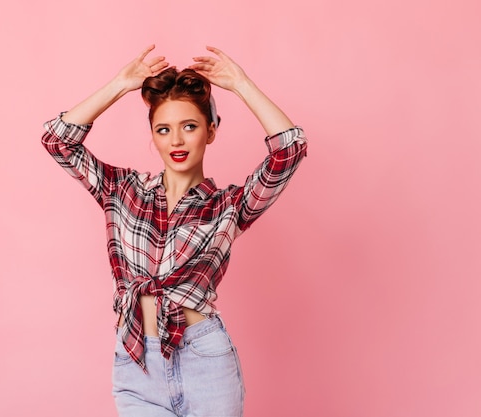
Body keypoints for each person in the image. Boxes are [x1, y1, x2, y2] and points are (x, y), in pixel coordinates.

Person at [41, 45, 307, 417]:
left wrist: (241, 84)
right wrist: (120, 85)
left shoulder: (229, 206)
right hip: (137, 364)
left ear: (211, 131)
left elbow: (290, 151)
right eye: (163, 129)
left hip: (205, 362)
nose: (176, 141)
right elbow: (58, 141)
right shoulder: (123, 190)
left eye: (190, 127)